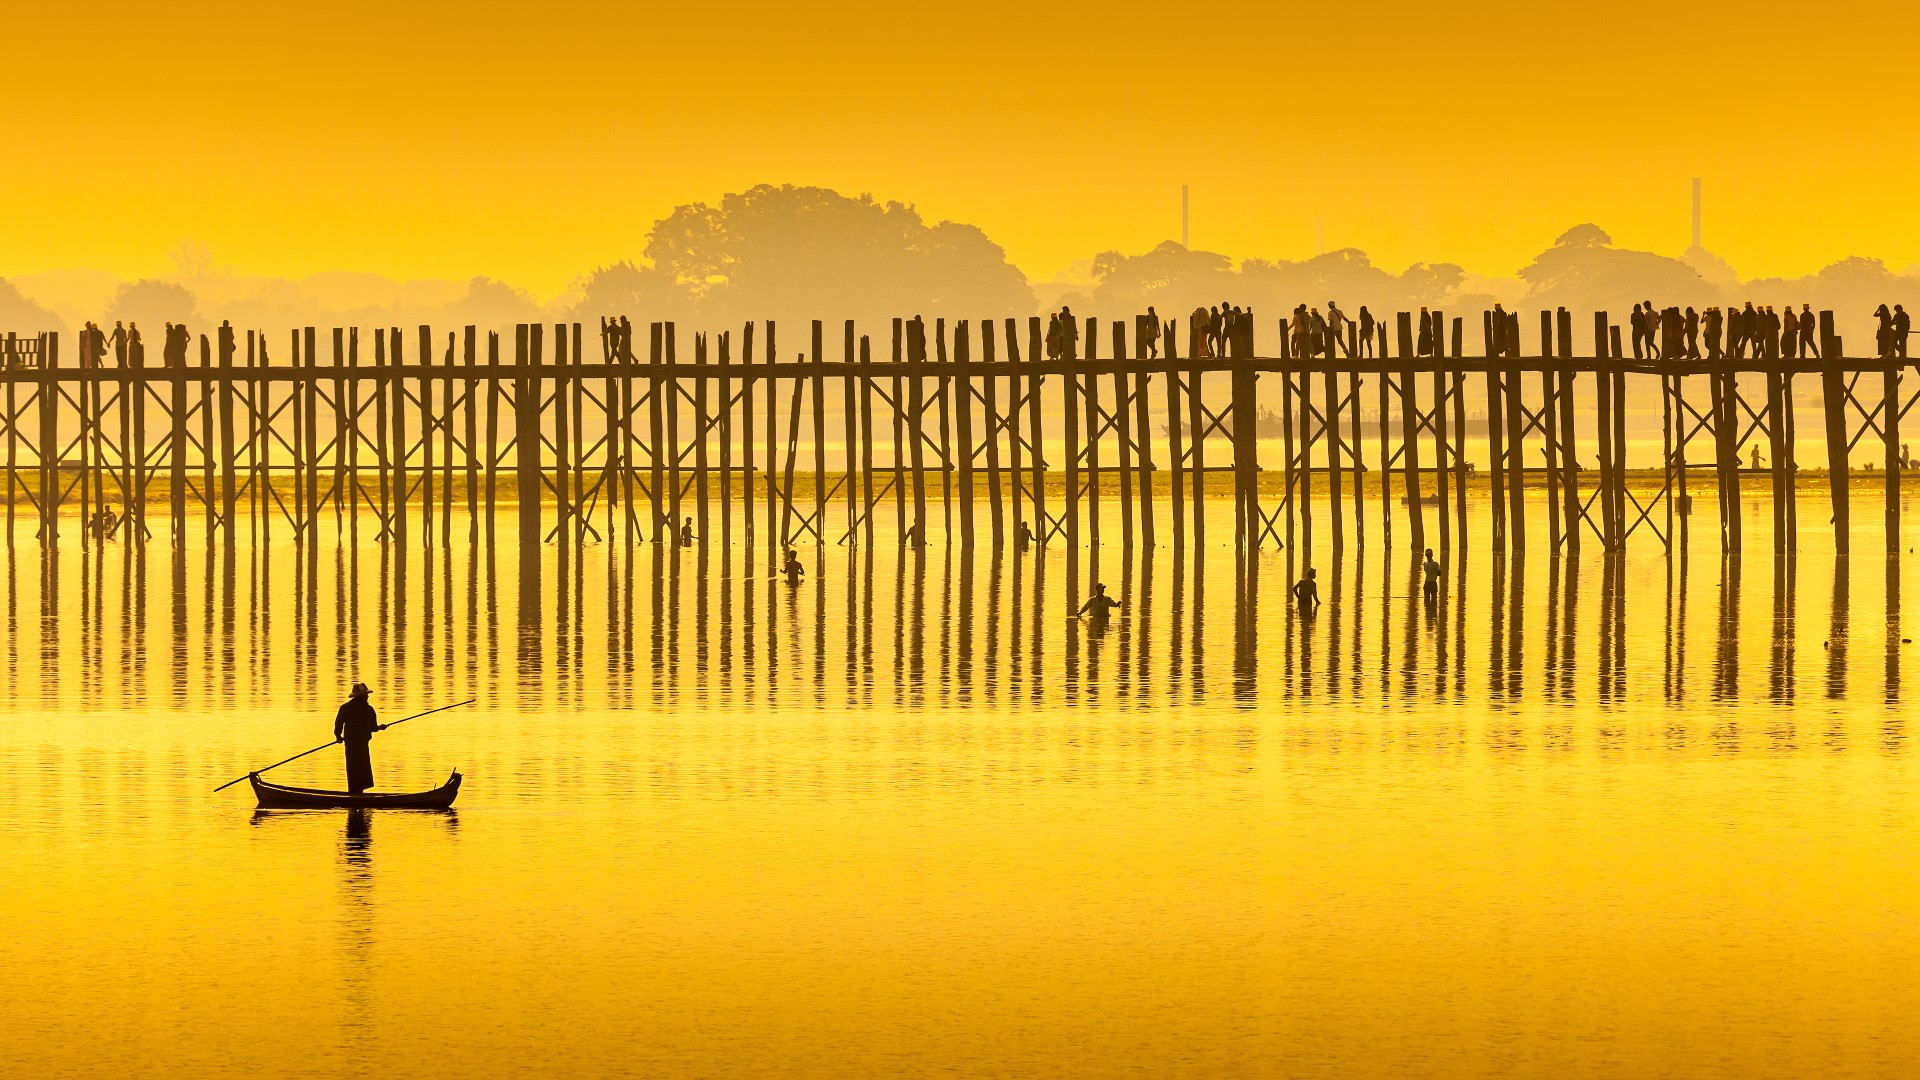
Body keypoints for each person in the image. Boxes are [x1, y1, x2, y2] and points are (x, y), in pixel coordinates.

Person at [333, 682, 385, 795]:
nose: (367, 697)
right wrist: (379, 728)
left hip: (350, 745)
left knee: (352, 769)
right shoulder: (368, 709)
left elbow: (338, 724)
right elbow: (372, 727)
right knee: (361, 769)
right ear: (361, 696)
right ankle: (358, 796)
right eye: (365, 695)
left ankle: (354, 794)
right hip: (361, 745)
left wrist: (338, 736)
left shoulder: (345, 708)